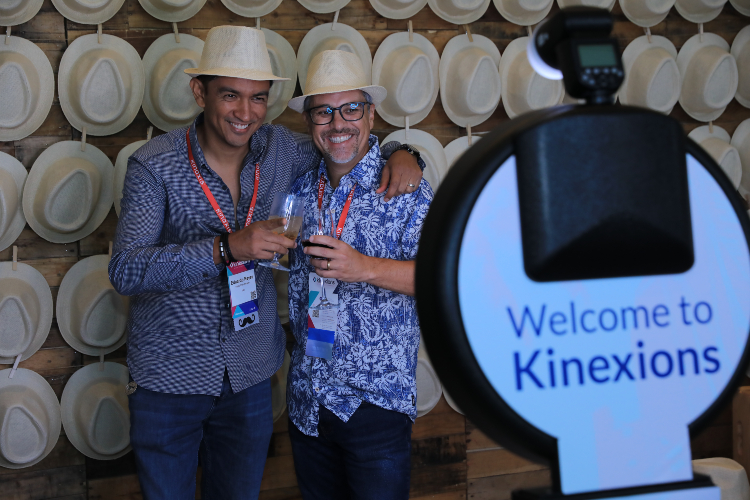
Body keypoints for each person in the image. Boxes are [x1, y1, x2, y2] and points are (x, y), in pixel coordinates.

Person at [108, 27, 422, 500]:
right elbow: (126, 270)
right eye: (230, 95)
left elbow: (345, 140)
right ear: (200, 91)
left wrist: (404, 152)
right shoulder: (155, 165)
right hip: (172, 379)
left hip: (251, 378)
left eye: (258, 98)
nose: (244, 112)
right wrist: (225, 248)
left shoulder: (281, 151)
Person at [285, 50, 433, 500]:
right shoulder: (299, 189)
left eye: (351, 108)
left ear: (371, 115)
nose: (338, 123)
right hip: (308, 400)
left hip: (375, 405)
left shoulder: (407, 189)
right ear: (310, 121)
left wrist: (363, 268)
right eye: (324, 111)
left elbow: (442, 281)